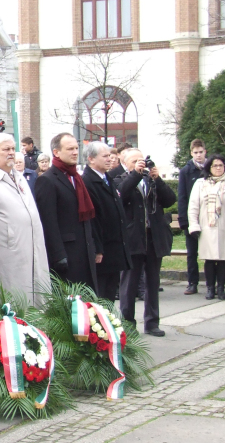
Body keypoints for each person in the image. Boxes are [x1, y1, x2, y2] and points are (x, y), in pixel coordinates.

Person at [0, 133, 50, 302]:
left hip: (30, 249)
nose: (11, 153)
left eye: (13, 149)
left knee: (35, 300)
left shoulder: (19, 177)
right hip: (5, 255)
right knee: (11, 302)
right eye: (6, 149)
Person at [115, 148, 176, 336]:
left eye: (142, 160)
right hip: (133, 239)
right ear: (125, 163)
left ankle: (152, 322)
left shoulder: (151, 181)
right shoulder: (120, 179)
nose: (140, 164)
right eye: (134, 161)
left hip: (153, 238)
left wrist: (158, 179)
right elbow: (121, 195)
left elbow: (169, 200)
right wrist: (135, 175)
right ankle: (128, 324)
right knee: (129, 283)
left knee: (152, 281)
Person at [35, 133, 98, 292]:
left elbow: (87, 217)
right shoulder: (47, 180)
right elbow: (48, 222)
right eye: (70, 149)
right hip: (66, 255)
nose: (75, 152)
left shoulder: (77, 178)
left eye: (76, 148)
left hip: (85, 251)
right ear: (56, 152)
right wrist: (58, 255)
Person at [187, 154, 225, 301]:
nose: (218, 168)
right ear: (209, 167)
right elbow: (193, 207)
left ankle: (221, 288)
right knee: (209, 259)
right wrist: (194, 225)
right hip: (206, 227)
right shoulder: (200, 183)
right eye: (215, 165)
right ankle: (210, 288)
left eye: (221, 165)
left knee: (223, 259)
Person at [82, 142, 131, 301]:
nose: (110, 159)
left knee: (110, 293)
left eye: (110, 155)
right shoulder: (88, 182)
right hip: (103, 249)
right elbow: (93, 218)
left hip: (115, 245)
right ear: (91, 159)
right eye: (105, 156)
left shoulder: (107, 177)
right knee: (101, 295)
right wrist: (97, 248)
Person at [178, 139, 207, 295]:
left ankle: (212, 281)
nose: (198, 155)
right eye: (195, 153)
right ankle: (192, 282)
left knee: (210, 251)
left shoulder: (211, 169)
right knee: (192, 253)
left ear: (205, 152)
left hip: (208, 217)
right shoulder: (186, 171)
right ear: (191, 153)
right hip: (192, 218)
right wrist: (184, 220)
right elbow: (182, 197)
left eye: (201, 152)